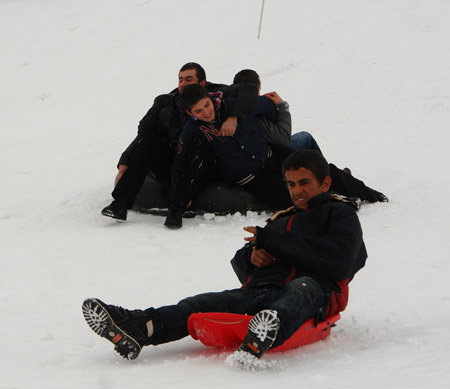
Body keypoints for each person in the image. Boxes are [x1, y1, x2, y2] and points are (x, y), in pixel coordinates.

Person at [82, 150, 367, 367]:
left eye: (304, 182)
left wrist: (275, 242)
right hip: (265, 291)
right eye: (291, 184)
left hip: (315, 292)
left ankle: (267, 330)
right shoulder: (282, 219)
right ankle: (141, 327)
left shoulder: (339, 214)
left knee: (299, 290)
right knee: (200, 304)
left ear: (325, 182)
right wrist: (254, 258)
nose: (297, 190)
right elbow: (244, 267)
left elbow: (339, 261)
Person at [165, 82, 387, 228]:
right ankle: (336, 207)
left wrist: (252, 118)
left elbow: (265, 104)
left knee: (319, 169)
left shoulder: (235, 107)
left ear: (210, 98)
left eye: (206, 105)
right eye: (199, 111)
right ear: (189, 113)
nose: (206, 112)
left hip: (274, 155)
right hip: (253, 178)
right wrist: (178, 192)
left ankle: (369, 194)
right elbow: (180, 161)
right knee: (286, 196)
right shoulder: (193, 130)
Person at [101, 62, 259, 221]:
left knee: (200, 144)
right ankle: (120, 203)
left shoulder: (215, 96)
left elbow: (249, 89)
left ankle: (178, 207)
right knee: (150, 141)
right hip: (177, 160)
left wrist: (233, 118)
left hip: (207, 163)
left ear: (202, 83)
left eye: (188, 80)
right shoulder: (169, 103)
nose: (183, 84)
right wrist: (125, 162)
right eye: (180, 80)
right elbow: (144, 134)